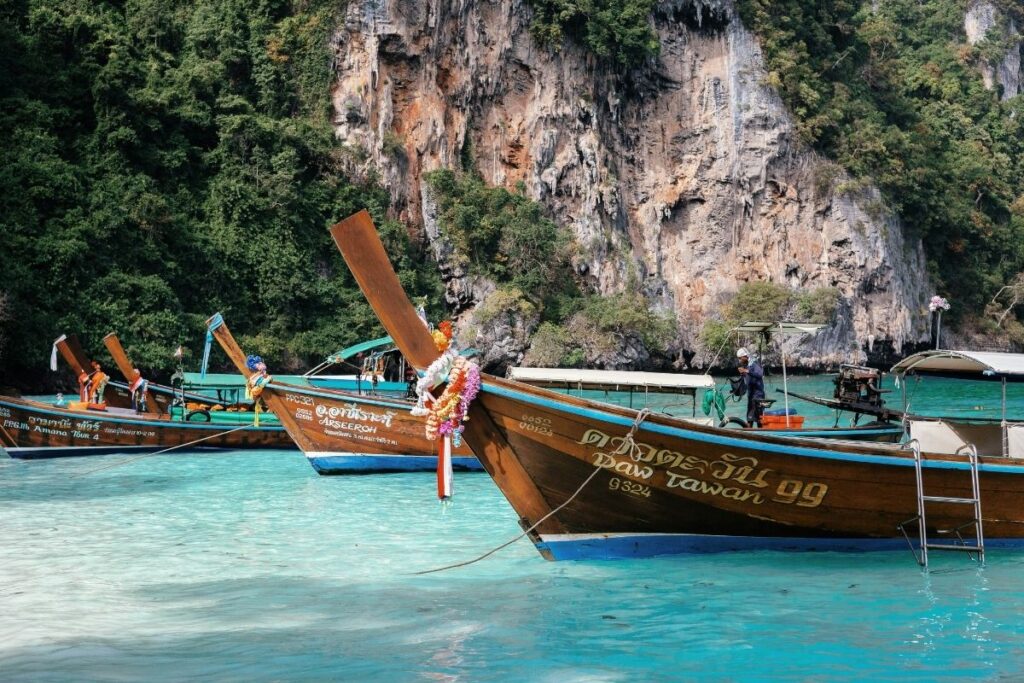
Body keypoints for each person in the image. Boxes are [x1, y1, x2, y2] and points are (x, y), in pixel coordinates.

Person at [736, 347, 764, 427]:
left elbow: (760, 374)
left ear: (745, 356)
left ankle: (761, 435)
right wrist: (743, 374)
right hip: (751, 395)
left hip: (758, 395)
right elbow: (748, 379)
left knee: (759, 419)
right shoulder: (747, 366)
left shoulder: (754, 363)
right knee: (749, 418)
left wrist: (746, 371)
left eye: (740, 358)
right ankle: (748, 434)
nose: (739, 360)